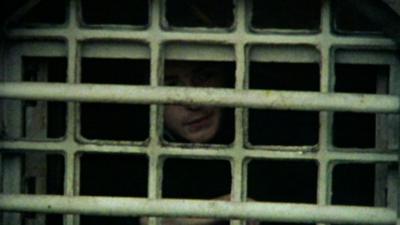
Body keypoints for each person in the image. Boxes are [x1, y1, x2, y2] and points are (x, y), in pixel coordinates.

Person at [140, 61, 258, 225]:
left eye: (204, 77)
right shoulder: (132, 160)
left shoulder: (262, 145)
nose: (193, 103)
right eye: (171, 85)